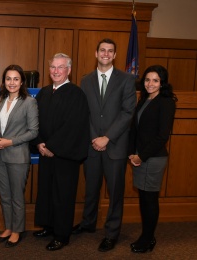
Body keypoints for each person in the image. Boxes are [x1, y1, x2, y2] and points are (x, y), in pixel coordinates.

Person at [73, 38, 137, 252]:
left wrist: (107, 138)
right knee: (91, 189)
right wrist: (95, 138)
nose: (106, 54)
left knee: (115, 192)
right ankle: (88, 223)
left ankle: (111, 233)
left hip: (115, 145)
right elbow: (85, 113)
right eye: (102, 50)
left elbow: (128, 112)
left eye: (110, 51)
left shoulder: (127, 79)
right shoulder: (86, 80)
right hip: (92, 145)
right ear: (96, 53)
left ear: (115, 55)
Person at [31, 53, 90, 251]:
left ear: (69, 70)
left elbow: (74, 126)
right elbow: (34, 122)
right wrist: (39, 143)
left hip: (65, 156)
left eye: (61, 67)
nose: (56, 71)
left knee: (62, 195)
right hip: (45, 153)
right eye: (53, 67)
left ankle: (62, 235)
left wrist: (52, 147)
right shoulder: (44, 92)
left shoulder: (76, 94)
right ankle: (49, 226)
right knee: (47, 191)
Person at [128, 65, 177, 253]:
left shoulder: (166, 102)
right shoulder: (145, 99)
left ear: (162, 83)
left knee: (149, 199)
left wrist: (141, 156)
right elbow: (136, 129)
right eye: (147, 79)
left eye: (155, 80)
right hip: (140, 157)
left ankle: (147, 239)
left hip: (152, 158)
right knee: (144, 197)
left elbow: (162, 135)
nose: (150, 83)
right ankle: (147, 236)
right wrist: (132, 153)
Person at [0, 65, 39, 248]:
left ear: (22, 82)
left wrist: (9, 142)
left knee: (16, 196)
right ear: (4, 81)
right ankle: (8, 227)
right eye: (8, 79)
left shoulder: (29, 102)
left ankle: (17, 230)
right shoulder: (0, 101)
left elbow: (33, 132)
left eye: (16, 79)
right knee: (4, 196)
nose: (12, 82)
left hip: (17, 156)